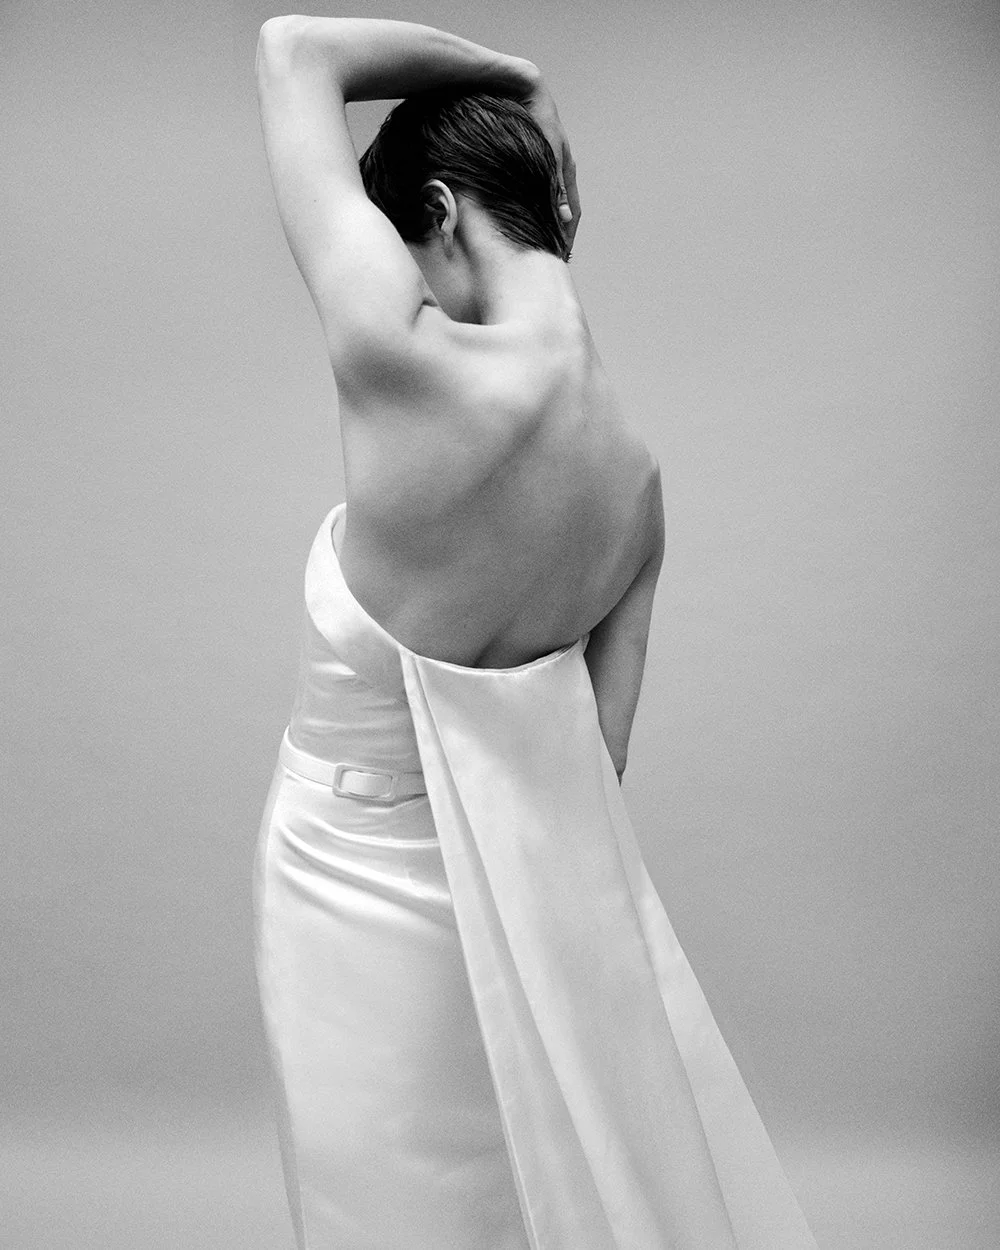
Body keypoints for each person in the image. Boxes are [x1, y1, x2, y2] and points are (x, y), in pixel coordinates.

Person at [253, 15, 819, 1250]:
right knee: (511, 1189)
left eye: (410, 239)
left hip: (336, 871)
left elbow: (294, 48)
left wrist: (509, 77)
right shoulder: (638, 490)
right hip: (513, 904)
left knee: (380, 1198)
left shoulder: (402, 363)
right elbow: (590, 760)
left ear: (441, 214)